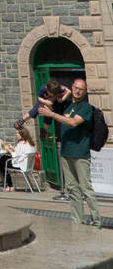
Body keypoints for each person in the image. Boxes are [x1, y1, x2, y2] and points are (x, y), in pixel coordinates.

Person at [38, 77, 102, 227]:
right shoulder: (66, 106)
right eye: (75, 87)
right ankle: (77, 220)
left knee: (86, 188)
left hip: (80, 154)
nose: (77, 91)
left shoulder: (85, 107)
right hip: (66, 153)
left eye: (81, 89)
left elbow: (73, 122)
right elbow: (51, 104)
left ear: (85, 92)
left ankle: (96, 220)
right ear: (71, 88)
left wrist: (52, 115)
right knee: (72, 189)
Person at [3, 124, 35, 190]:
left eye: (18, 133)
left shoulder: (23, 144)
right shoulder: (29, 143)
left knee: (3, 163)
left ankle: (10, 186)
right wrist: (12, 148)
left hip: (21, 166)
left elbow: (18, 157)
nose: (16, 134)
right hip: (28, 166)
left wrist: (9, 150)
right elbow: (21, 154)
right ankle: (9, 185)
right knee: (3, 160)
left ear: (22, 134)